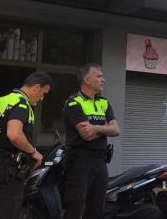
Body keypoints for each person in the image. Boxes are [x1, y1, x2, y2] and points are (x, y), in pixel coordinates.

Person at [0, 71, 53, 219]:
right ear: (36, 87)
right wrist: (34, 152)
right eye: (43, 93)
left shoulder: (1, 100)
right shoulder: (21, 103)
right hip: (9, 167)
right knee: (9, 211)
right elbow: (14, 134)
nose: (42, 98)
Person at [63, 63, 121, 219]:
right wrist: (105, 128)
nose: (103, 79)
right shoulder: (74, 103)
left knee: (97, 207)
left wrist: (96, 128)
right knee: (76, 206)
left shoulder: (104, 102)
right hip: (80, 162)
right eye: (99, 76)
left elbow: (116, 130)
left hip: (100, 161)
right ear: (86, 80)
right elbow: (85, 134)